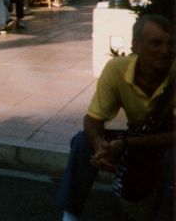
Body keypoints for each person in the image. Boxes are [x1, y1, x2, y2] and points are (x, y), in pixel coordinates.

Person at [55, 15, 174, 221]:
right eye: (155, 43)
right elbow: (93, 118)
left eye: (171, 44)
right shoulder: (117, 69)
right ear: (135, 45)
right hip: (138, 139)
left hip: (167, 144)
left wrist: (126, 143)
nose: (165, 51)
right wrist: (100, 145)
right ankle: (70, 216)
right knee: (83, 142)